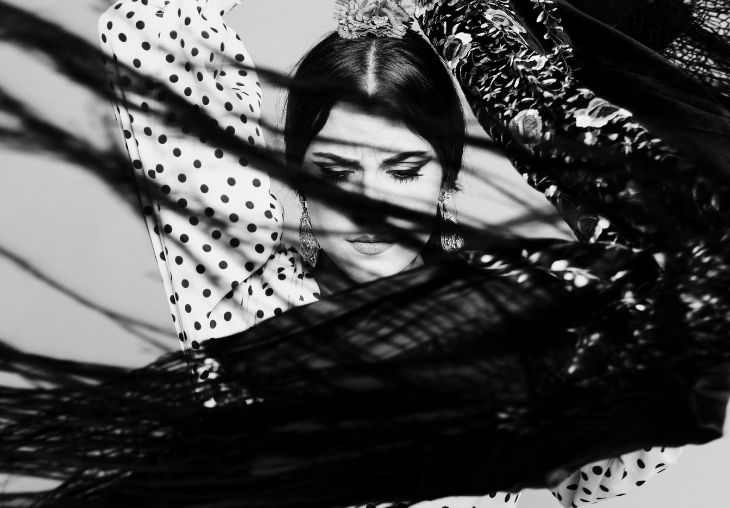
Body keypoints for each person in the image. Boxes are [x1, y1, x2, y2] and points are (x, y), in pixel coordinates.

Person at [89, 0, 689, 507]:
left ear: (446, 177)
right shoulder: (248, 296)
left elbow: (616, 460)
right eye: (336, 172)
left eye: (402, 172)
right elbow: (154, 30)